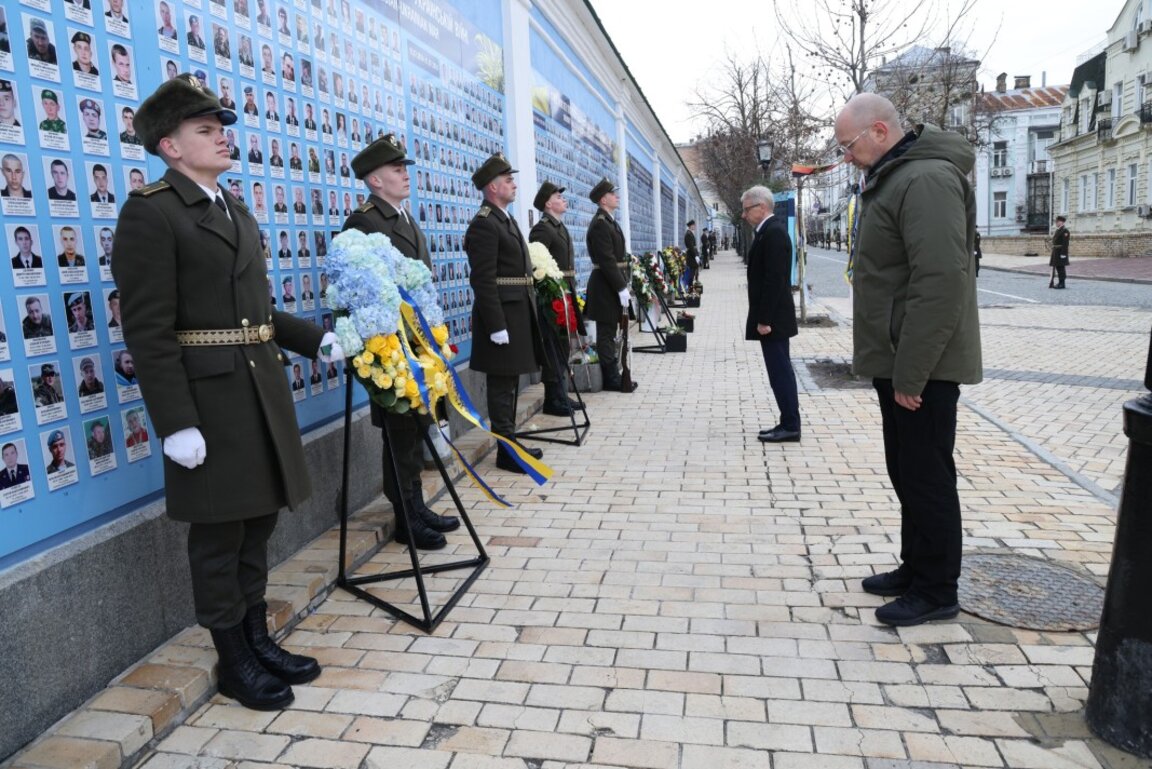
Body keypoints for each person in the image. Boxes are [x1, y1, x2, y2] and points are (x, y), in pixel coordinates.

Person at [113, 73, 342, 711]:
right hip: (208, 402)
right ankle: (233, 658)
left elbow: (256, 311)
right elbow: (148, 330)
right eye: (205, 129)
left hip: (256, 392)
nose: (222, 138)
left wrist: (315, 339)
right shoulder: (152, 212)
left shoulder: (232, 207)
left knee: (256, 523)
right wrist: (174, 421)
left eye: (222, 129)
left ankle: (256, 637)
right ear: (170, 146)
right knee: (218, 536)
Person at [833, 92, 981, 627]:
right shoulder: (895, 176)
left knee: (926, 476)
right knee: (907, 469)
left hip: (922, 366)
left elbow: (939, 283)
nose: (846, 155)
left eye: (848, 144)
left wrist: (912, 373)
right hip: (899, 359)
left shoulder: (925, 179)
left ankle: (937, 590)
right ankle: (916, 567)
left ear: (879, 130)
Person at [343, 133, 460, 547]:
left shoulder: (404, 216)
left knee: (417, 427)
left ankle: (417, 505)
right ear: (375, 180)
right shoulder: (364, 222)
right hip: (392, 347)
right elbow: (364, 291)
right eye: (396, 169)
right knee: (399, 434)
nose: (405, 175)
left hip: (418, 343)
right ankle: (405, 517)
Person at [464, 153, 546, 473]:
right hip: (501, 316)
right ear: (492, 187)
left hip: (516, 313)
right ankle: (506, 451)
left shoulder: (504, 219)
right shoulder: (485, 224)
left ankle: (509, 444)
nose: (514, 185)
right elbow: (483, 280)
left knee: (510, 383)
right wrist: (496, 324)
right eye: (508, 180)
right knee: (501, 386)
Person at [742, 185, 801, 443]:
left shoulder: (774, 232)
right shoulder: (768, 231)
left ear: (762, 206)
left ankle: (790, 425)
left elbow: (774, 280)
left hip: (774, 320)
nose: (743, 215)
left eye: (746, 209)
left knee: (780, 372)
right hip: (772, 318)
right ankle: (787, 421)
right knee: (778, 371)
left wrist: (764, 319)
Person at [528, 180, 585, 416]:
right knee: (553, 346)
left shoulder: (558, 227)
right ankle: (553, 398)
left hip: (564, 291)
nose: (563, 199)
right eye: (558, 197)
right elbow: (537, 263)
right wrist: (550, 294)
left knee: (563, 345)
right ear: (548, 204)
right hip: (551, 297)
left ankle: (561, 392)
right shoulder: (542, 229)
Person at [584, 177, 637, 393]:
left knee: (612, 330)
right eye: (612, 194)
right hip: (604, 286)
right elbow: (606, 260)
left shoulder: (609, 221)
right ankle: (611, 378)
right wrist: (620, 287)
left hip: (611, 283)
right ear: (603, 200)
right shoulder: (600, 224)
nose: (617, 196)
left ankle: (614, 373)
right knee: (606, 333)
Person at [1050, 215, 1069, 289]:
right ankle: (1059, 282)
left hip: (1061, 252)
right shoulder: (1058, 230)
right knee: (1058, 267)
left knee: (1061, 268)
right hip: (1056, 252)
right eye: (1056, 221)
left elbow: (1065, 243)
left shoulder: (1065, 231)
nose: (1056, 223)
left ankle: (1062, 283)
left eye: (1057, 221)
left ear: (1062, 222)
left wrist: (1063, 254)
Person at [683, 220, 699, 288]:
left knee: (693, 271)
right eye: (694, 225)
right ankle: (690, 287)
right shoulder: (688, 234)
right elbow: (691, 246)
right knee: (691, 272)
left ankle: (691, 286)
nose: (694, 226)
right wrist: (695, 256)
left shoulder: (690, 233)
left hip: (692, 254)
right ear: (691, 226)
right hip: (691, 255)